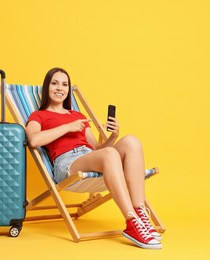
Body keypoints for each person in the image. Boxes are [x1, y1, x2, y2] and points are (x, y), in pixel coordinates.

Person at [25, 67, 162, 249]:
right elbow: (34, 140)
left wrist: (113, 136)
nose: (60, 88)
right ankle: (131, 221)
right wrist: (67, 127)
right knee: (110, 154)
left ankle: (140, 216)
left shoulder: (77, 116)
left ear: (68, 90)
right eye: (54, 83)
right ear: (46, 87)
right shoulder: (38, 115)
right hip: (67, 164)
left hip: (88, 156)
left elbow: (99, 150)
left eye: (64, 84)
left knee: (131, 141)